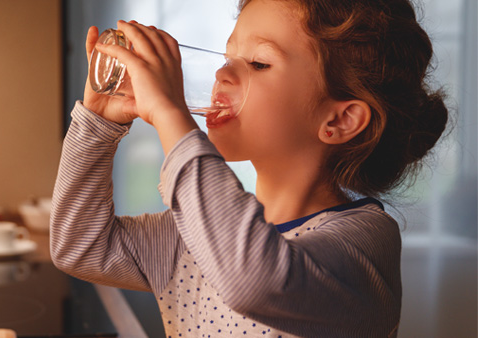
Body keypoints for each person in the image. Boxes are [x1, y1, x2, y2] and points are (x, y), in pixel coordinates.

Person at [49, 0, 449, 337]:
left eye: (258, 63)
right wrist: (99, 125)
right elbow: (79, 246)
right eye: (227, 57)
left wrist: (171, 114)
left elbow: (252, 277)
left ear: (338, 121)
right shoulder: (193, 235)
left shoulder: (364, 243)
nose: (223, 73)